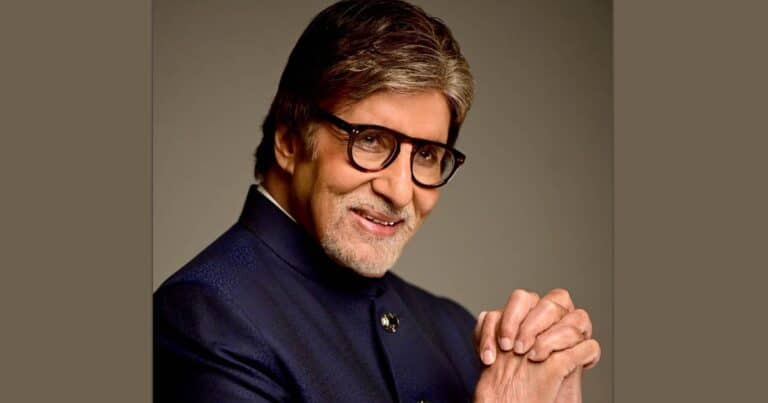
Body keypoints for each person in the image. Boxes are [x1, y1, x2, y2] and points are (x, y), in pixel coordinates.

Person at [154, 1, 601, 402]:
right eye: (370, 140)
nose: (400, 191)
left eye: (426, 155)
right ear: (289, 141)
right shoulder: (203, 317)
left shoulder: (452, 328)